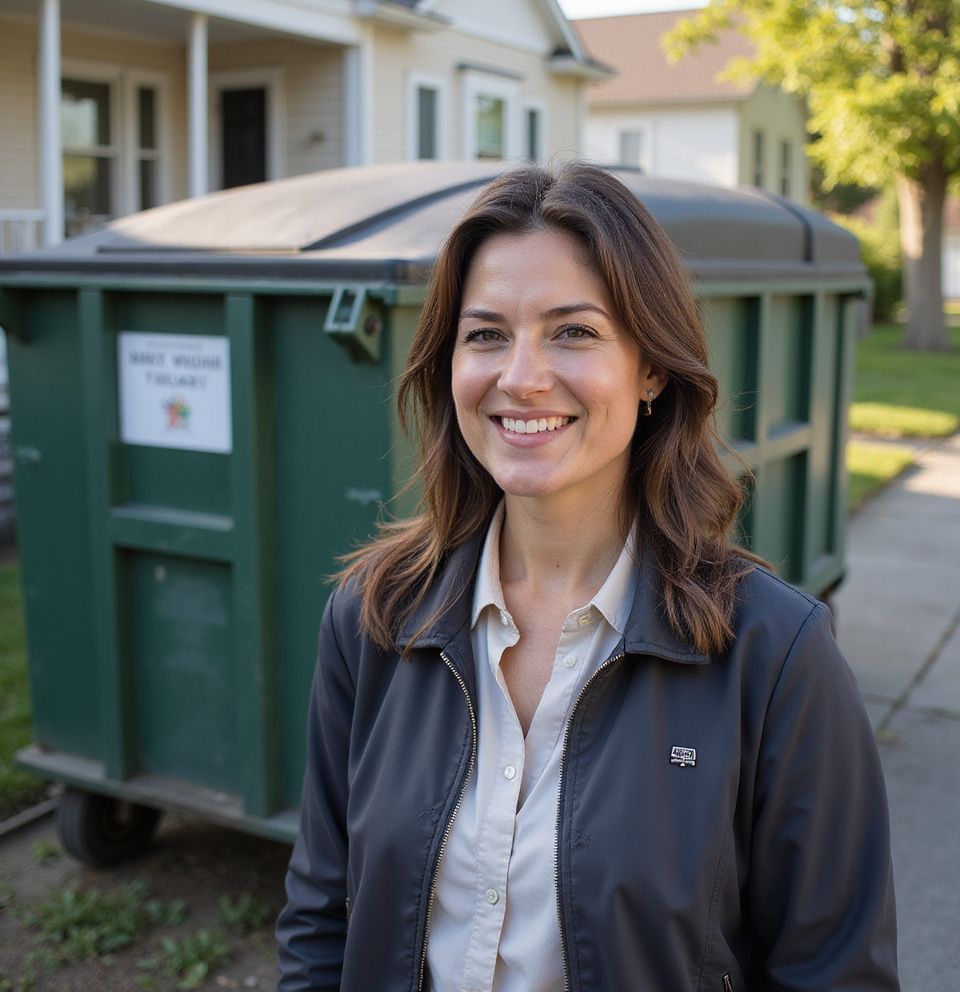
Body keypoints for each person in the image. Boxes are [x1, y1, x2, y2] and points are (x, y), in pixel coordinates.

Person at [276, 162, 899, 992]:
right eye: (486, 333)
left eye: (573, 331)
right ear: (448, 365)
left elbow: (835, 974)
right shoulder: (374, 616)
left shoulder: (775, 656)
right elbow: (321, 915)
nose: (521, 376)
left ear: (651, 371)